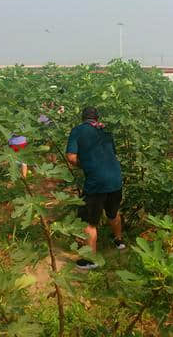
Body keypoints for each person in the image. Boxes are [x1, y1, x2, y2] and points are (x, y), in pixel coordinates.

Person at [66, 107, 125, 270]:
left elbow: (71, 157)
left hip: (97, 182)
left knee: (89, 222)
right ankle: (119, 241)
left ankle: (91, 260)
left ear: (82, 118)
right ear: (96, 118)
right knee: (113, 212)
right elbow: (112, 153)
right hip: (115, 178)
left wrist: (84, 164)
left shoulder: (77, 131)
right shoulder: (105, 130)